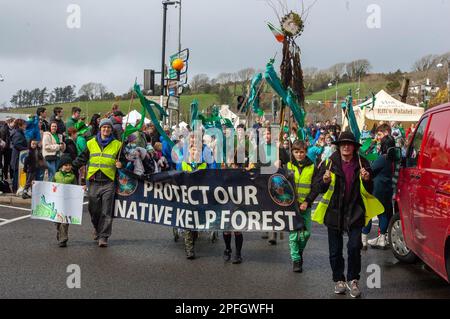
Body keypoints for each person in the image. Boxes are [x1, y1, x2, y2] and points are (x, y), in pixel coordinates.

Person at [314, 131, 374, 298]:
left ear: (354, 147)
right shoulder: (329, 163)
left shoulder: (363, 163)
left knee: (354, 247)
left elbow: (370, 190)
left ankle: (353, 280)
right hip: (334, 212)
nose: (346, 146)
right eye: (343, 144)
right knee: (335, 250)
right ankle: (339, 280)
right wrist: (324, 181)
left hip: (355, 211)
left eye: (349, 144)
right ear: (339, 146)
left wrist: (368, 179)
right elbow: (319, 188)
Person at [72, 119, 123, 247]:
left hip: (108, 183)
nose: (106, 129)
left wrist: (121, 164)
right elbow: (81, 159)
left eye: (108, 127)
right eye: (104, 127)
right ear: (100, 129)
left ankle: (103, 237)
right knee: (93, 210)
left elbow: (125, 161)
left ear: (111, 130)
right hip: (93, 182)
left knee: (106, 211)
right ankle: (97, 228)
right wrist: (68, 168)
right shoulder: (90, 143)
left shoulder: (118, 145)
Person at [286, 140, 319, 273]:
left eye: (301, 152)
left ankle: (299, 252)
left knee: (306, 234)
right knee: (293, 235)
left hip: (305, 205)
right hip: (291, 206)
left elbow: (316, 187)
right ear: (292, 152)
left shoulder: (312, 167)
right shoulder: (288, 165)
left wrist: (307, 201)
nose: (299, 155)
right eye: (296, 152)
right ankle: (296, 260)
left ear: (306, 152)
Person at [362, 129, 396, 250]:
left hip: (377, 189)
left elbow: (371, 170)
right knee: (383, 214)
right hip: (388, 190)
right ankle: (382, 239)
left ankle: (363, 240)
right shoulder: (394, 159)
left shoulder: (383, 158)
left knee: (368, 214)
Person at [53, 155, 78, 247]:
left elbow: (76, 188)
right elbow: (50, 186)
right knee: (57, 222)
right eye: (66, 165)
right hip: (57, 202)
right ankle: (59, 233)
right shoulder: (56, 175)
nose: (68, 167)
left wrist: (81, 189)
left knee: (65, 221)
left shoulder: (72, 177)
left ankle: (63, 239)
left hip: (67, 203)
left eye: (69, 165)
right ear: (61, 166)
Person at [11, 119, 28, 193]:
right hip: (18, 157)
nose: (25, 126)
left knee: (17, 174)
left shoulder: (19, 133)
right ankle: (15, 190)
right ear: (20, 125)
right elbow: (17, 145)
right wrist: (27, 149)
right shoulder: (18, 134)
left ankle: (16, 189)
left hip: (19, 157)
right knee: (16, 174)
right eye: (24, 124)